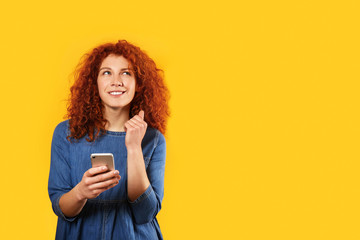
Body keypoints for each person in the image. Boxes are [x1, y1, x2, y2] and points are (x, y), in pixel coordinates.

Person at [48, 40, 170, 240]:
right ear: (94, 82)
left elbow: (145, 213)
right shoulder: (66, 133)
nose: (116, 81)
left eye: (126, 73)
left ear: (138, 83)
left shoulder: (153, 139)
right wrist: (81, 191)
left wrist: (133, 148)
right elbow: (61, 208)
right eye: (106, 72)